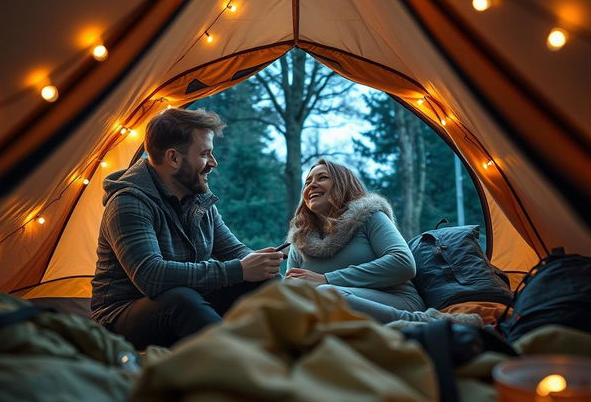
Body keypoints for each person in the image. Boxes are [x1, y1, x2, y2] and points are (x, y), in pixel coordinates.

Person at [91, 108, 284, 349]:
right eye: (205, 154)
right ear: (173, 158)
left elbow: (235, 251)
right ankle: (242, 365)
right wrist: (237, 270)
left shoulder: (199, 201)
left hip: (186, 298)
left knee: (265, 282)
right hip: (119, 316)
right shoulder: (128, 202)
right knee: (181, 300)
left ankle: (287, 356)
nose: (213, 163)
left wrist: (260, 264)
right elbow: (151, 276)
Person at [285, 159, 482, 327]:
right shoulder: (300, 240)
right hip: (332, 313)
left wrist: (327, 279)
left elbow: (403, 263)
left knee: (327, 293)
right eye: (308, 181)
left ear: (343, 184)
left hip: (397, 302)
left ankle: (429, 322)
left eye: (322, 178)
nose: (311, 185)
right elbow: (292, 292)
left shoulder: (369, 217)